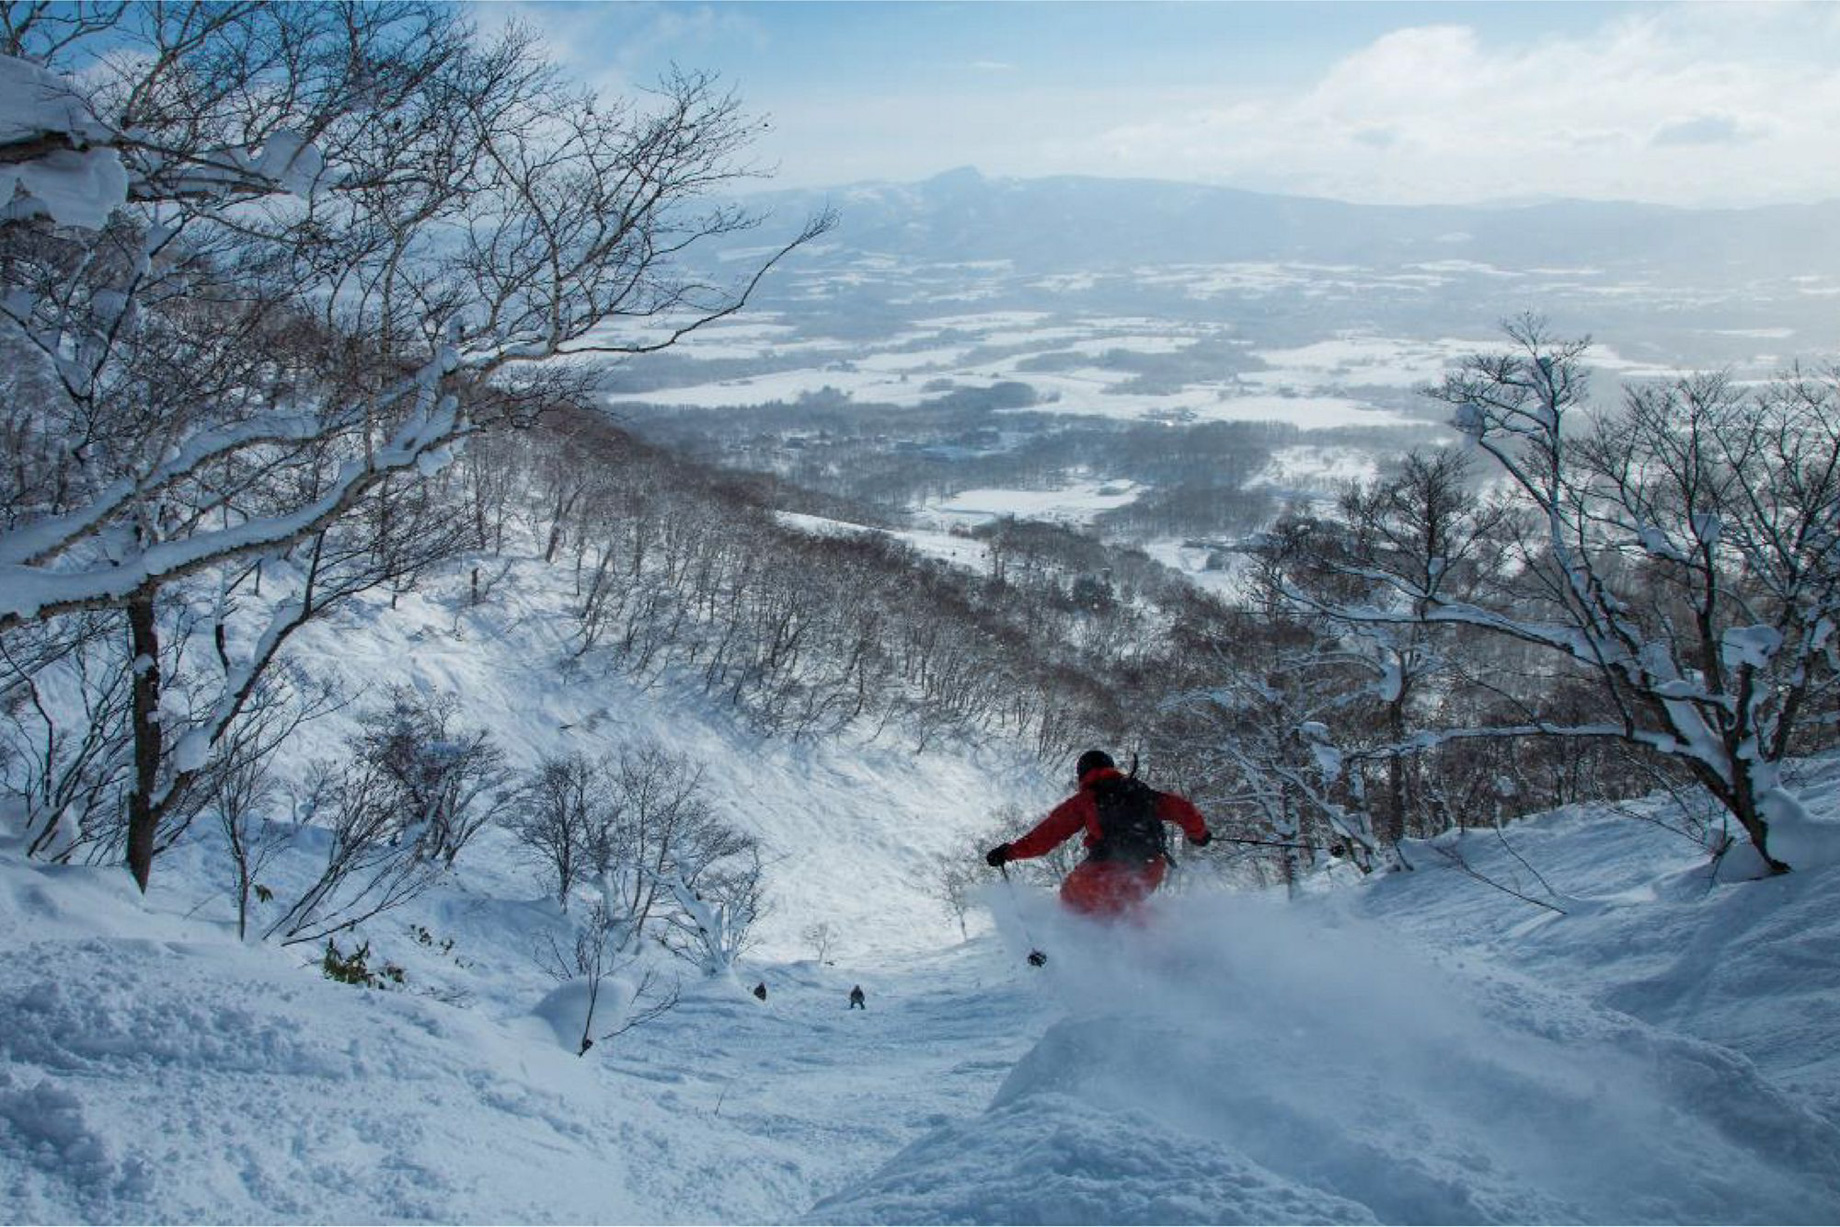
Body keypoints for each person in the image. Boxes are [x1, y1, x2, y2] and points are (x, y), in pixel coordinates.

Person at [985, 749, 1211, 918]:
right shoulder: (1141, 792)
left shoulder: (1086, 800)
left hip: (1104, 872)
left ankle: (1089, 959)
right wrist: (1198, 835)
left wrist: (1008, 852)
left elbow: (1046, 836)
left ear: (1082, 774)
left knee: (1071, 898)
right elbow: (1184, 809)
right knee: (1127, 908)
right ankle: (1149, 952)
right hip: (1150, 869)